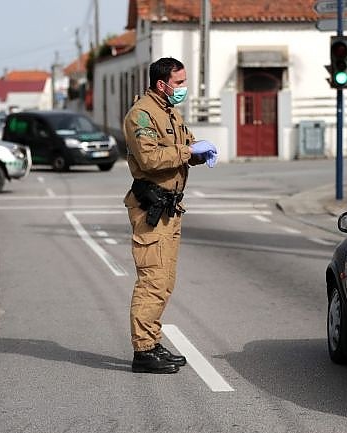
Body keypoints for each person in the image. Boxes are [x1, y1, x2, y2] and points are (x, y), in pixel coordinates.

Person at [122, 57, 217, 374]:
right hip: (152, 207)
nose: (183, 88)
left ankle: (152, 339)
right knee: (152, 281)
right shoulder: (141, 115)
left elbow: (184, 148)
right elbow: (149, 158)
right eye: (179, 83)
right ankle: (143, 351)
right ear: (162, 84)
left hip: (171, 206)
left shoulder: (169, 112)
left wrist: (198, 152)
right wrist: (188, 152)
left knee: (164, 282)